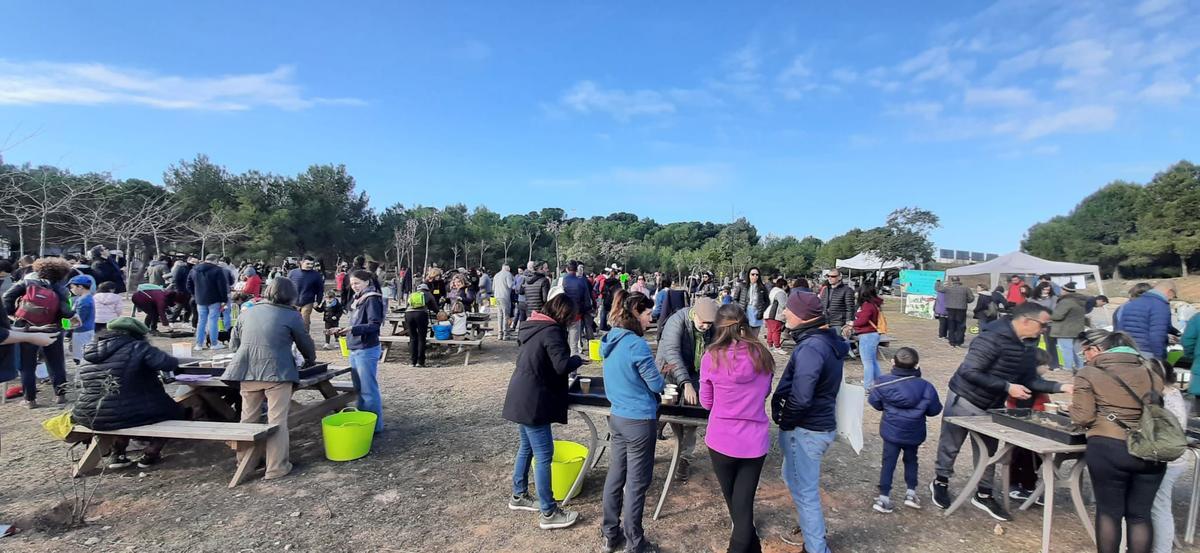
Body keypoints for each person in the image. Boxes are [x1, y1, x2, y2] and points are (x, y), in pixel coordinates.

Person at [930, 302, 1073, 521]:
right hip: (965, 398)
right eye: (1043, 325)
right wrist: (1008, 387)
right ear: (1026, 320)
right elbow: (970, 371)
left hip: (993, 405)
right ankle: (941, 481)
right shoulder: (991, 339)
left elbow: (1029, 380)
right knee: (951, 444)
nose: (1045, 330)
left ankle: (984, 493)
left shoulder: (1028, 345)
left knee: (989, 450)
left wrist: (1060, 387)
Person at [1072, 329, 1168, 553]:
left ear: (1101, 350)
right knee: (1140, 515)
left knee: (1109, 513)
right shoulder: (1153, 372)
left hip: (1109, 447)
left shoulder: (1088, 373)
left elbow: (1083, 417)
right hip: (1150, 448)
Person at [772, 289, 848, 552]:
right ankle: (812, 529)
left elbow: (802, 396)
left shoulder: (812, 347)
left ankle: (817, 547)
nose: (783, 313)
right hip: (818, 425)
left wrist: (786, 421)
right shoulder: (826, 340)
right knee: (792, 477)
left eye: (788, 309)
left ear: (802, 316)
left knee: (805, 493)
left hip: (806, 429)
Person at [221, 278, 317, 481]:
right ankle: (276, 467)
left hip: (247, 370)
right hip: (278, 372)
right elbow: (304, 341)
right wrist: (310, 359)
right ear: (291, 295)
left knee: (247, 418)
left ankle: (245, 461)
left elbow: (234, 343)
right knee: (277, 421)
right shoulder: (291, 315)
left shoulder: (248, 311)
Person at [502, 295, 584, 530]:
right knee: (544, 454)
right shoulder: (551, 331)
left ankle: (518, 496)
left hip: (521, 393)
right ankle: (548, 512)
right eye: (570, 317)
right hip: (533, 401)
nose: (571, 322)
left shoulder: (534, 325)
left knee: (526, 448)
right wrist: (577, 359)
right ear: (563, 314)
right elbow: (561, 365)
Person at [698, 303, 775, 553]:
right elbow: (765, 392)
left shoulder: (711, 356)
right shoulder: (762, 354)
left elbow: (706, 402)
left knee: (738, 509)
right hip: (754, 441)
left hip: (721, 439)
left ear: (718, 327)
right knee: (741, 506)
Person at [600, 292, 665, 553]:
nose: (651, 319)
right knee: (637, 484)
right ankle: (635, 542)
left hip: (617, 417)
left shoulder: (610, 340)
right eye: (648, 314)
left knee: (616, 477)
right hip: (638, 420)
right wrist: (659, 374)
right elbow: (656, 385)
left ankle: (609, 534)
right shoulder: (636, 345)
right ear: (637, 313)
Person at [72, 317, 181, 469]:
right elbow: (168, 364)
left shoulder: (89, 349)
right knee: (175, 411)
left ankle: (118, 454)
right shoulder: (138, 347)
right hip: (126, 414)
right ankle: (151, 453)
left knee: (121, 407)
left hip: (88, 414)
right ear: (138, 334)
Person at [868, 347, 942, 513]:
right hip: (914, 432)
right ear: (917, 365)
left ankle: (883, 498)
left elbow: (875, 402)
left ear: (893, 362)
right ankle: (910, 493)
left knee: (888, 462)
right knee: (911, 460)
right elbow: (934, 410)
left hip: (891, 431)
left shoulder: (882, 382)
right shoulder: (926, 387)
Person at [656, 297, 718, 482]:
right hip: (669, 369)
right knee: (663, 410)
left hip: (695, 373)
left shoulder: (714, 326)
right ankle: (650, 444)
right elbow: (672, 353)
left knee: (691, 415)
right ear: (694, 314)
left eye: (710, 323)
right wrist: (686, 383)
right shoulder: (677, 321)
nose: (706, 326)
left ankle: (684, 458)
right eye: (703, 321)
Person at [3, 257, 75, 407]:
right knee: (56, 363)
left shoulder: (26, 282)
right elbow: (66, 312)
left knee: (27, 365)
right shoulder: (60, 287)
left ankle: (30, 400)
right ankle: (60, 396)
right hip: (53, 328)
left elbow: (7, 297)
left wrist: (13, 315)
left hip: (27, 328)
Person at [329, 270, 385, 432]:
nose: (354, 286)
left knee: (368, 390)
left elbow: (375, 325)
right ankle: (363, 422)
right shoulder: (357, 297)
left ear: (367, 281)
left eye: (357, 283)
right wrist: (344, 329)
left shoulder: (372, 298)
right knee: (359, 389)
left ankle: (374, 427)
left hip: (366, 348)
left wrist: (353, 329)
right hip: (355, 348)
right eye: (352, 284)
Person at [1151, 358, 1187, 553]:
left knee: (1160, 508)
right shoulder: (1174, 394)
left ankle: (1162, 549)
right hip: (1174, 459)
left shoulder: (1166, 400)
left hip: (1168, 460)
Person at [1115, 281, 1176, 360]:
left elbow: (1120, 329)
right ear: (1170, 291)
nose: (1171, 299)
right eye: (1173, 297)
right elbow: (1157, 335)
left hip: (1128, 350)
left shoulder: (1130, 304)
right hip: (1147, 352)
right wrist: (1159, 359)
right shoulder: (1160, 305)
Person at [187, 254, 234, 351]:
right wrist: (224, 300)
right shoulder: (217, 270)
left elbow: (188, 285)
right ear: (215, 260)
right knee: (213, 321)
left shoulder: (194, 269)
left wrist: (195, 294)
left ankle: (199, 344)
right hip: (214, 299)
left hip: (200, 299)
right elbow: (222, 287)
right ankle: (214, 343)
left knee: (201, 321)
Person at [1049, 282, 1088, 372]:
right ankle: (1080, 366)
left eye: (1062, 289)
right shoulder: (1080, 301)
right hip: (1077, 329)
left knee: (1066, 349)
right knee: (1077, 350)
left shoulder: (1066, 301)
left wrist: (1049, 315)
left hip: (1065, 330)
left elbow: (1057, 316)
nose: (1061, 291)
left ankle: (1068, 367)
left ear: (1066, 291)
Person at [853, 284, 885, 389]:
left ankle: (868, 385)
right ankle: (879, 382)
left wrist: (852, 323)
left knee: (867, 362)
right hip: (873, 334)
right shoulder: (874, 304)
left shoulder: (867, 305)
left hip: (867, 335)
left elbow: (863, 321)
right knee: (872, 361)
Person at [561, 261, 593, 357]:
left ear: (567, 269)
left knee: (562, 339)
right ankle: (573, 370)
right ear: (576, 269)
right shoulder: (581, 282)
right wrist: (586, 309)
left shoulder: (561, 281)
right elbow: (587, 299)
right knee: (574, 343)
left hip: (562, 314)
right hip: (576, 314)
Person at [935, 277, 975, 348]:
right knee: (960, 325)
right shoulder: (966, 288)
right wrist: (966, 301)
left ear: (952, 281)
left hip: (950, 308)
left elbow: (938, 289)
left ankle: (952, 341)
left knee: (951, 325)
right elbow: (971, 298)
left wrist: (938, 282)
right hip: (961, 308)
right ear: (959, 281)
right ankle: (959, 341)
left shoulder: (948, 288)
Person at [287, 256, 324, 332]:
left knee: (305, 321)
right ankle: (293, 339)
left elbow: (320, 289)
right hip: (293, 301)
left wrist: (318, 301)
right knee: (293, 321)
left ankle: (304, 340)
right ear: (301, 262)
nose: (310, 266)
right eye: (308, 264)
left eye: (312, 264)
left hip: (308, 301)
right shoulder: (292, 273)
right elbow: (286, 286)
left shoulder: (316, 275)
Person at [67, 276, 96, 365]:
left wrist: (64, 326)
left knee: (80, 359)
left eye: (72, 287)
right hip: (87, 330)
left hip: (81, 332)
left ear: (80, 287)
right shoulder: (88, 298)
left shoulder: (83, 301)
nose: (71, 290)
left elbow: (77, 321)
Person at [819, 269, 856, 339]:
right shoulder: (826, 289)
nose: (829, 278)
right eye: (828, 276)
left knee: (839, 344)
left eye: (833, 276)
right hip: (826, 322)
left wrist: (848, 324)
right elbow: (822, 305)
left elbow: (850, 308)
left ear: (839, 277)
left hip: (839, 323)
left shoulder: (847, 290)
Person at [405, 284, 435, 367]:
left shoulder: (413, 294)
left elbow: (407, 306)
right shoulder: (428, 294)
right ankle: (420, 361)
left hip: (409, 314)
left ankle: (412, 361)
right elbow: (435, 307)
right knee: (421, 338)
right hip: (421, 314)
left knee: (413, 338)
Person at [735, 267, 769, 339]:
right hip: (745, 313)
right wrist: (740, 308)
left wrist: (762, 310)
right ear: (749, 275)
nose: (755, 276)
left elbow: (767, 301)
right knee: (744, 336)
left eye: (757, 275)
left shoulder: (762, 287)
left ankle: (752, 349)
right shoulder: (742, 285)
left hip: (757, 313)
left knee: (754, 337)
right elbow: (735, 299)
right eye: (752, 274)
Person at [765, 277, 789, 354]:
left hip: (768, 313)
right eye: (786, 286)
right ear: (783, 286)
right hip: (775, 314)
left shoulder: (773, 291)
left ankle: (770, 345)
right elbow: (783, 304)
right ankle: (777, 347)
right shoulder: (781, 292)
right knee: (776, 331)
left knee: (770, 330)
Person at [493, 264, 515, 341]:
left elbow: (493, 288)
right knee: (506, 315)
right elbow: (510, 285)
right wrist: (514, 282)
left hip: (496, 297)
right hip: (504, 297)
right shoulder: (508, 274)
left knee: (499, 315)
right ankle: (505, 334)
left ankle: (499, 334)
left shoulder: (496, 275)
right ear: (507, 268)